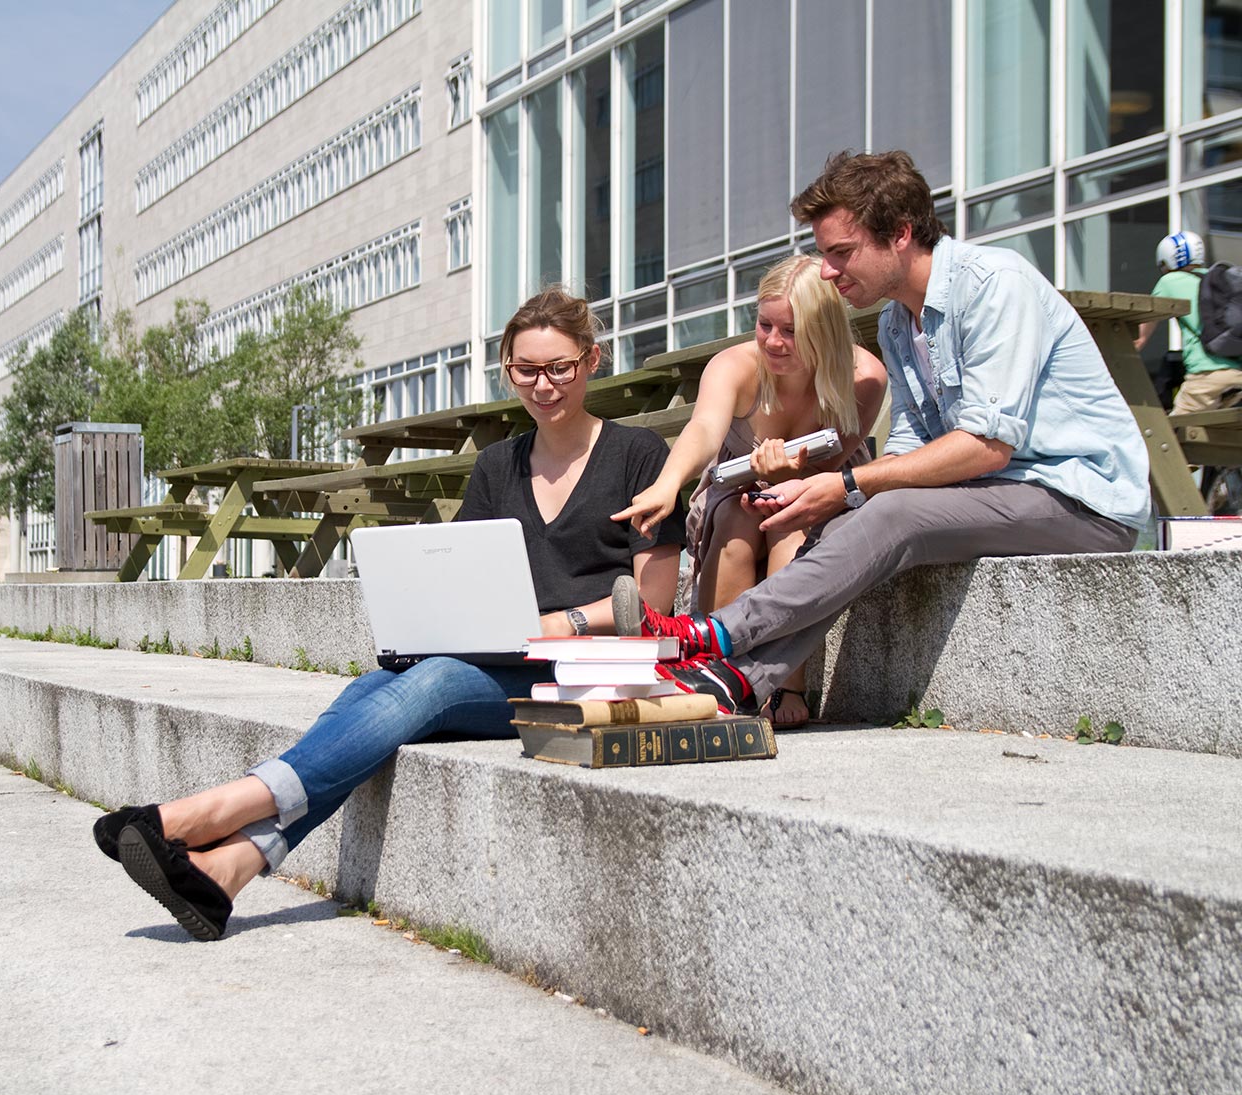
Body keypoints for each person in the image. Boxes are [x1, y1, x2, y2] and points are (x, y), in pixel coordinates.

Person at [92, 287, 686, 940]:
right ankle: (224, 870)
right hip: (501, 658)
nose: (543, 385)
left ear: (592, 360)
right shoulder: (498, 465)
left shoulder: (638, 456)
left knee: (432, 682)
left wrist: (562, 623)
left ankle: (206, 812)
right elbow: (460, 573)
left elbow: (653, 604)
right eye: (525, 369)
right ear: (507, 370)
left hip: (585, 673)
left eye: (559, 368)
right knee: (370, 689)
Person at [611, 150, 1149, 719]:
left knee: (890, 512)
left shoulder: (996, 286)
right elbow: (910, 448)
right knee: (841, 522)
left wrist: (848, 484)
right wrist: (831, 497)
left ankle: (712, 635)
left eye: (841, 252)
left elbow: (987, 446)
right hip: (994, 496)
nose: (827, 271)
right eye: (825, 254)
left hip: (1079, 500)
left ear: (901, 235)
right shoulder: (897, 322)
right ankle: (735, 682)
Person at [612, 255, 886, 729]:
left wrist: (786, 479)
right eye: (765, 325)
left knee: (788, 524)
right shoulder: (736, 366)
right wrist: (667, 484)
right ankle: (715, 668)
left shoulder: (865, 377)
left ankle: (785, 683)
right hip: (733, 491)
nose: (773, 341)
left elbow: (831, 467)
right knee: (739, 523)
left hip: (817, 490)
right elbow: (703, 430)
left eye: (791, 331)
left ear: (824, 331)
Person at [1134, 231, 1242, 415]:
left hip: (1206, 377)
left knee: (1172, 430)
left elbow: (1139, 338)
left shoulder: (1170, 281)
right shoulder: (1218, 281)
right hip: (1238, 375)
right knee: (1215, 430)